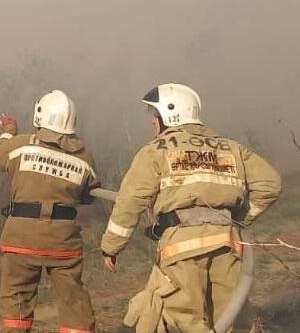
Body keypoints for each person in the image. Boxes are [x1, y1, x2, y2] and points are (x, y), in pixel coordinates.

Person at [100, 83, 282, 332]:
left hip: (181, 247)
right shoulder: (232, 148)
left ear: (170, 115)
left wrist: (111, 247)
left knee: (183, 318)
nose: (153, 123)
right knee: (231, 318)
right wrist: (239, 219)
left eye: (156, 117)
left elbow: (129, 202)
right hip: (229, 243)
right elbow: (271, 185)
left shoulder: (155, 151)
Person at [0, 89, 100, 333]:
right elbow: (88, 195)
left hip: (21, 239)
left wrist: (8, 132)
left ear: (40, 115)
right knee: (74, 300)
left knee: (16, 299)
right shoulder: (84, 157)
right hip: (63, 242)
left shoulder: (21, 145)